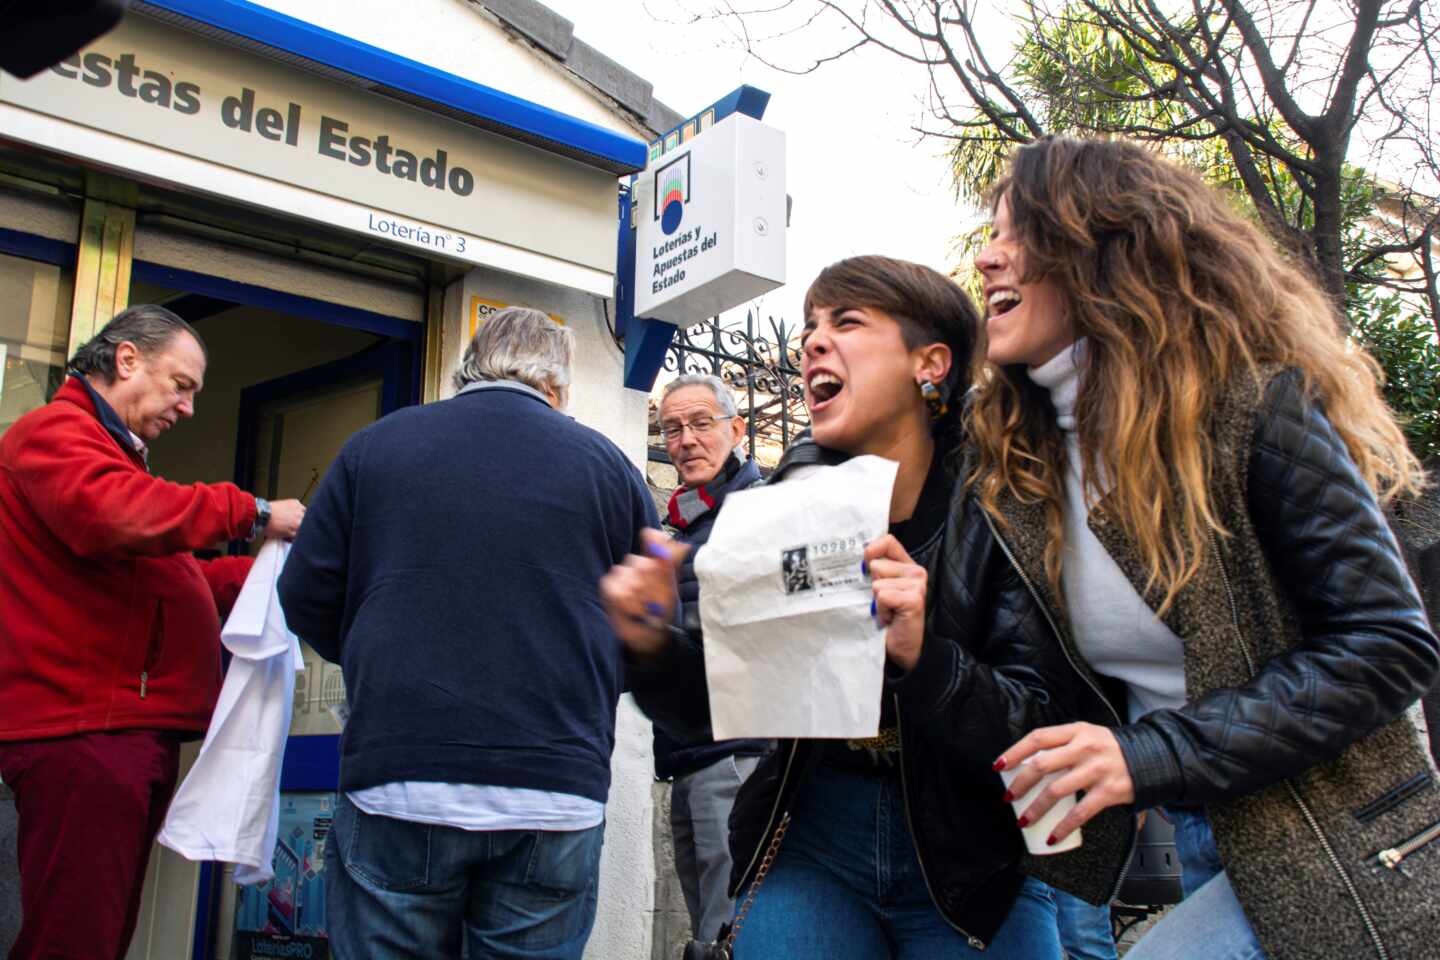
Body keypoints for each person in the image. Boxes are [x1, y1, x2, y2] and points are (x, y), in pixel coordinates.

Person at [970, 137, 1440, 959]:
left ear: (1103, 249)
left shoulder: (1255, 406)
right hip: (1195, 827)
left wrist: (1148, 754)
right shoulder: (1029, 458)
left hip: (1336, 834)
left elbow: (1389, 646)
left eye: (1018, 235)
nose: (985, 258)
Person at [604, 256, 1083, 959]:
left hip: (972, 848)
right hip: (816, 834)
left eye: (847, 322)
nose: (813, 344)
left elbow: (1044, 722)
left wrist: (925, 658)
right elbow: (718, 710)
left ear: (931, 364)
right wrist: (651, 645)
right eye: (808, 329)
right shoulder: (788, 497)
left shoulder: (1009, 504)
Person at [277, 307, 658, 960]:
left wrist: (376, 662)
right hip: (555, 787)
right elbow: (652, 618)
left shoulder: (375, 448)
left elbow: (303, 592)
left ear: (464, 371)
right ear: (558, 387)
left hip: (399, 777)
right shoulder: (609, 468)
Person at [0, 304, 304, 960]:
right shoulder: (55, 433)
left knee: (96, 933)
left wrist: (277, 578)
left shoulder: (116, 462)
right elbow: (111, 515)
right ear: (128, 359)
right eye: (182, 385)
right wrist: (251, 513)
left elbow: (177, 581)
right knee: (76, 938)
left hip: (112, 733)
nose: (188, 408)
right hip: (84, 732)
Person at [651, 373, 771, 950]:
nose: (687, 440)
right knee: (707, 927)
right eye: (673, 428)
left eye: (702, 423)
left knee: (728, 932)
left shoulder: (758, 512)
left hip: (736, 752)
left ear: (737, 430)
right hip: (691, 753)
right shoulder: (687, 522)